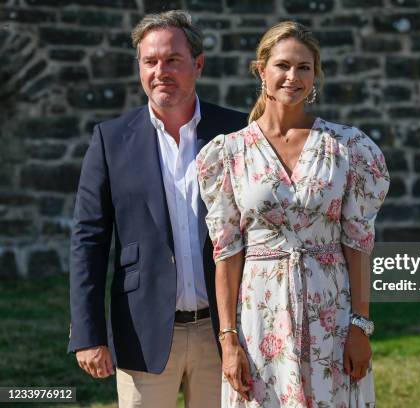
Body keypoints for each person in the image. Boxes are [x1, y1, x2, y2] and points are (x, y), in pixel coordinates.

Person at [196, 21, 389, 407]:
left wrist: (360, 326)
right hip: (259, 317)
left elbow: (358, 243)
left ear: (315, 75)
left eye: (304, 67)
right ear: (261, 70)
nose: (292, 76)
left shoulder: (347, 147)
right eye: (283, 65)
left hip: (330, 315)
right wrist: (229, 338)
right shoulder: (230, 153)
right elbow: (227, 252)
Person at [68, 10, 247, 408]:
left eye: (172, 60)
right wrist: (88, 333)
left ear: (197, 64)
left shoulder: (237, 132)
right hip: (142, 329)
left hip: (227, 333)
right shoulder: (110, 140)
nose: (160, 71)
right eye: (150, 61)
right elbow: (88, 240)